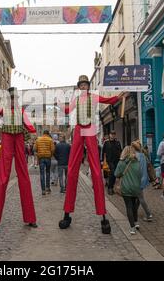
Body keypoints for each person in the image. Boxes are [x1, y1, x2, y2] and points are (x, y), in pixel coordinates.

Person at [58, 75, 121, 234]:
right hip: (79, 130)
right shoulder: (76, 100)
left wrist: (119, 96)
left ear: (88, 86)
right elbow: (67, 110)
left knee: (96, 170)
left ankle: (103, 217)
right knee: (72, 170)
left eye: (86, 84)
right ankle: (67, 213)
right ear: (79, 87)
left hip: (90, 129)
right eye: (82, 85)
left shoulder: (93, 97)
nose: (84, 87)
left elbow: (107, 101)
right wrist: (59, 104)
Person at [0, 87, 38, 232]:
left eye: (15, 98)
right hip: (7, 139)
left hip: (19, 139)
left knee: (24, 177)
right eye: (10, 98)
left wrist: (33, 130)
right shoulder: (4, 110)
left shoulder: (21, 112)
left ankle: (30, 218)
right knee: (2, 176)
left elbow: (30, 126)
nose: (13, 100)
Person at [114, 146, 142, 235]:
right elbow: (140, 174)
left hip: (126, 187)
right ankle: (136, 222)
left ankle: (132, 227)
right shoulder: (137, 162)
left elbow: (116, 174)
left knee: (129, 207)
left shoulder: (122, 163)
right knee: (134, 206)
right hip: (136, 187)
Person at [132, 140, 153, 222]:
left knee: (140, 198)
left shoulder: (135, 156)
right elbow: (148, 164)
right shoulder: (143, 155)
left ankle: (149, 214)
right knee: (138, 196)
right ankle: (134, 212)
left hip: (138, 179)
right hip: (144, 178)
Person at [34, 130, 55, 195]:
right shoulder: (50, 140)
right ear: (48, 134)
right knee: (48, 173)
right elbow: (53, 149)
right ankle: (48, 188)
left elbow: (34, 149)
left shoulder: (38, 140)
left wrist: (38, 154)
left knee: (42, 174)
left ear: (43, 133)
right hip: (48, 158)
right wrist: (50, 155)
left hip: (41, 158)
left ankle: (43, 190)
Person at [103, 131, 123, 196]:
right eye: (112, 134)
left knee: (115, 174)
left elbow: (120, 151)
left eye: (114, 134)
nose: (113, 135)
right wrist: (102, 160)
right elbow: (103, 152)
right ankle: (110, 188)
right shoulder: (106, 143)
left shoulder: (118, 143)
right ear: (109, 135)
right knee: (113, 172)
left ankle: (112, 186)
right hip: (109, 161)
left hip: (116, 161)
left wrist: (121, 159)